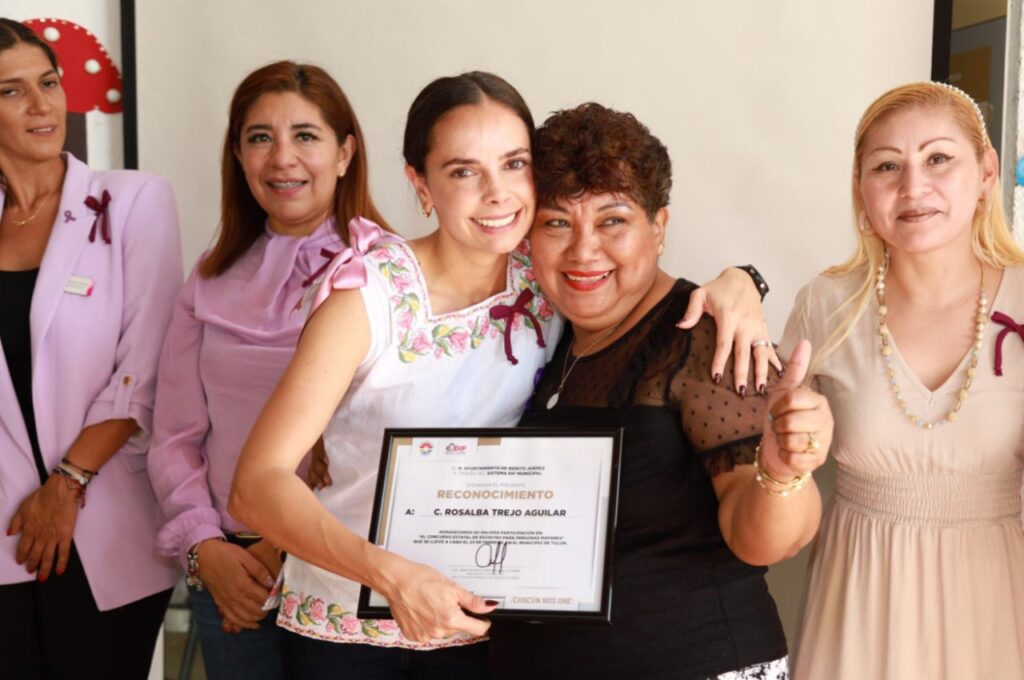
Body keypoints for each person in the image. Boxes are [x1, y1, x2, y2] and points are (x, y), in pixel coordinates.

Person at [229, 73, 776, 679]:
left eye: (514, 164)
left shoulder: (547, 280)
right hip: (356, 629)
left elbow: (642, 281)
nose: (496, 194)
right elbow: (256, 484)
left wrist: (740, 283)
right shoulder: (370, 296)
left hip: (487, 628)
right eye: (464, 171)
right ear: (421, 184)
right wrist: (391, 576)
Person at [482, 102, 832, 679]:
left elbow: (768, 543)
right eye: (556, 223)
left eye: (612, 221)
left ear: (659, 227)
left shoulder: (707, 339)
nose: (583, 250)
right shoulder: (543, 337)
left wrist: (783, 473)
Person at [147, 60, 391, 680]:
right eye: (260, 137)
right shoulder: (209, 276)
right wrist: (205, 548)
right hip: (227, 570)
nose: (282, 158)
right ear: (238, 155)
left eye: (305, 135)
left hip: (342, 563)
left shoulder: (389, 272)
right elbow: (174, 434)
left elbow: (378, 437)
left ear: (345, 153)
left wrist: (275, 547)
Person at [783, 82, 1024, 679]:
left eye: (938, 158)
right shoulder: (824, 305)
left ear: (986, 172)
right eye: (887, 166)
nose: (913, 187)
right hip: (860, 598)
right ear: (861, 189)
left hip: (997, 595)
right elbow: (774, 469)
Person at [0, 18, 182, 679]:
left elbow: (147, 363)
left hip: (102, 526)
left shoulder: (133, 200)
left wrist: (67, 483)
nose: (42, 105)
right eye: (11, 91)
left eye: (48, 82)